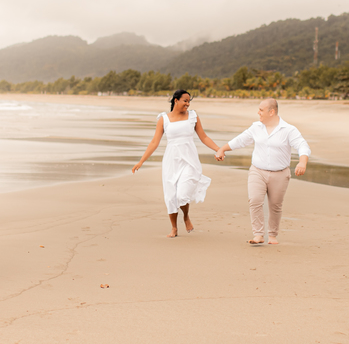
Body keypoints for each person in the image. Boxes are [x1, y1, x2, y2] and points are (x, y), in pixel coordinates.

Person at [215, 98, 310, 245]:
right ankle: (258, 234)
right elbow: (241, 140)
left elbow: (302, 146)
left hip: (280, 173)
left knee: (275, 206)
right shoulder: (256, 127)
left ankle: (272, 235)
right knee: (254, 201)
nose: (258, 112)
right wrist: (222, 149)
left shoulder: (288, 130)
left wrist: (302, 162)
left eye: (261, 110)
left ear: (271, 112)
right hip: (257, 171)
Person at [132, 90, 220, 238]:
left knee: (182, 194)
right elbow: (155, 142)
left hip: (189, 161)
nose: (188, 103)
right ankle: (174, 228)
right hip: (171, 161)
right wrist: (141, 161)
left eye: (189, 101)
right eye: (185, 100)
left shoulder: (193, 116)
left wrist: (219, 149)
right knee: (170, 195)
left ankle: (185, 216)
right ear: (176, 100)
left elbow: (203, 137)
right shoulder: (163, 119)